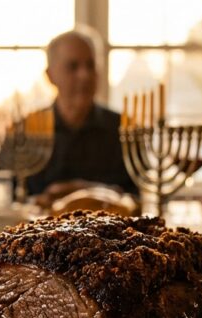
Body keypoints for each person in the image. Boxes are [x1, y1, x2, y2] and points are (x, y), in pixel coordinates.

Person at [25, 29, 135, 206]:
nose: (84, 75)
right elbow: (7, 198)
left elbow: (137, 198)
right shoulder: (24, 132)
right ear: (50, 75)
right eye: (73, 66)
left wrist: (82, 190)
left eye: (90, 65)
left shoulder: (124, 129)